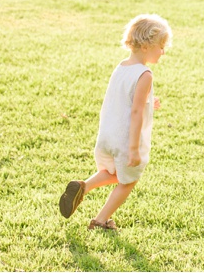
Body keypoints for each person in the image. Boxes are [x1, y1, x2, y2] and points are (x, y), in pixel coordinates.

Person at [58, 14, 171, 231]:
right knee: (128, 181)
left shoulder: (122, 67)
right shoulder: (145, 74)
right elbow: (136, 112)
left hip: (108, 134)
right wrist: (133, 149)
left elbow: (125, 98)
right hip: (126, 140)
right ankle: (100, 220)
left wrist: (150, 100)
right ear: (146, 46)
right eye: (161, 46)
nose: (163, 51)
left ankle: (83, 187)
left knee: (115, 173)